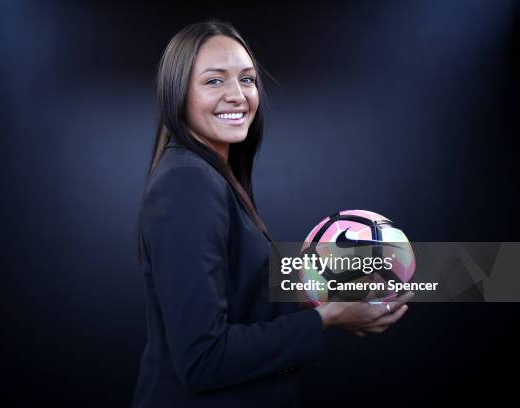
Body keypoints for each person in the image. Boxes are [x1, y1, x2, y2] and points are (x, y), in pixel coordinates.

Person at [132, 20, 412, 408]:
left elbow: (244, 288)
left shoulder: (210, 177)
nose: (237, 95)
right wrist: (326, 318)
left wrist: (342, 278)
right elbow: (203, 359)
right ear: (176, 93)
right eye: (214, 81)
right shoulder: (186, 183)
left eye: (247, 79)